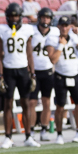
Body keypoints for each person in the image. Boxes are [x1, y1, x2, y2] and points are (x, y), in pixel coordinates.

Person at [0, 2, 38, 149]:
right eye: (11, 16)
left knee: (26, 103)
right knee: (8, 104)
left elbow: (29, 53)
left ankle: (28, 135)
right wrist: (0, 75)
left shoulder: (27, 30)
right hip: (8, 70)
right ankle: (8, 137)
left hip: (23, 70)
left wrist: (32, 73)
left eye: (16, 15)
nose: (14, 18)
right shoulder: (1, 30)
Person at [45, 16, 78, 144]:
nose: (64, 28)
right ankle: (59, 134)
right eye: (62, 25)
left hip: (74, 75)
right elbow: (53, 59)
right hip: (60, 75)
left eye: (67, 25)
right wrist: (61, 45)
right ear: (58, 26)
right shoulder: (52, 39)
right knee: (60, 107)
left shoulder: (74, 37)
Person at [32, 8, 58, 143]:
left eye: (48, 18)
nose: (45, 20)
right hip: (34, 71)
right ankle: (30, 130)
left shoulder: (55, 32)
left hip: (48, 70)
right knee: (31, 102)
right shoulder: (31, 31)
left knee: (46, 102)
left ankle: (44, 129)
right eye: (43, 17)